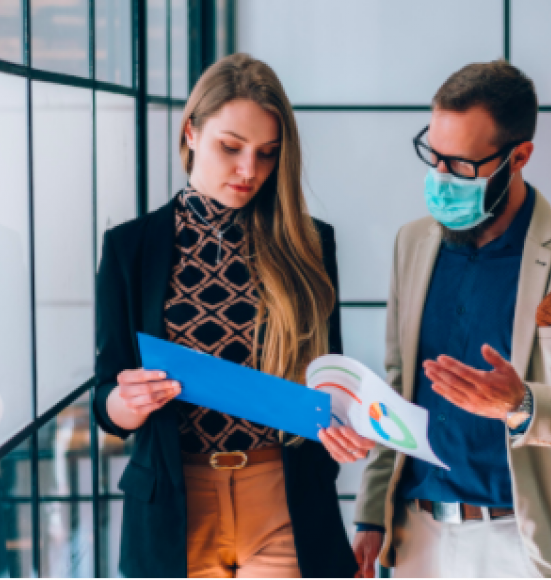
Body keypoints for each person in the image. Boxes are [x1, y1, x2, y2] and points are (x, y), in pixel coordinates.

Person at [351, 60, 551, 578]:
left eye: (462, 164)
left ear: (519, 157)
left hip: (533, 541)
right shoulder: (412, 242)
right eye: (434, 156)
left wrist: (524, 404)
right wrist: (369, 515)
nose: (441, 177)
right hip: (417, 537)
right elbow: (398, 388)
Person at [94, 53, 372, 578]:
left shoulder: (310, 243)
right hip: (176, 506)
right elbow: (106, 397)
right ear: (191, 131)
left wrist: (342, 418)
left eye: (268, 154)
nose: (250, 171)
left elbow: (325, 378)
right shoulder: (129, 248)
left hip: (283, 499)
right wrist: (125, 402)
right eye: (231, 147)